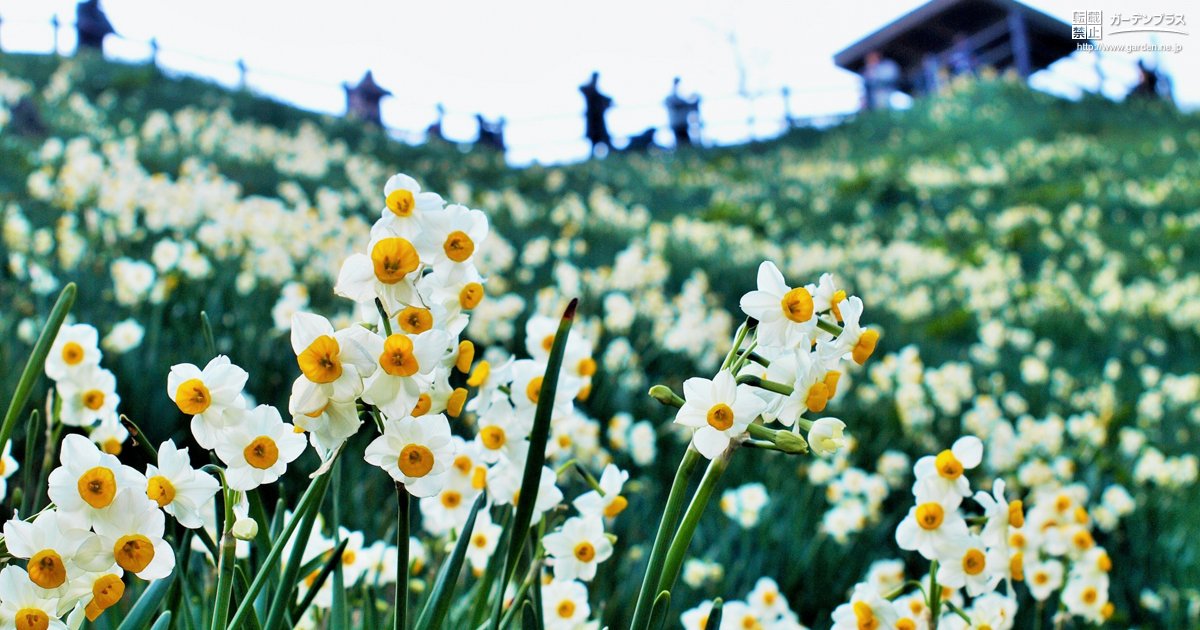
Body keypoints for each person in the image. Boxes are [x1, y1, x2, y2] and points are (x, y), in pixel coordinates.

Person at [580, 72, 613, 157]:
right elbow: (581, 88)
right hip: (592, 124)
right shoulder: (590, 92)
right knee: (593, 144)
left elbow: (610, 101)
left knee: (607, 143)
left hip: (600, 124)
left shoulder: (598, 95)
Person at [664, 77, 700, 147]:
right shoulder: (671, 98)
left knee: (685, 143)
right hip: (677, 124)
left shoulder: (679, 99)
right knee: (682, 143)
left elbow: (692, 106)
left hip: (683, 124)